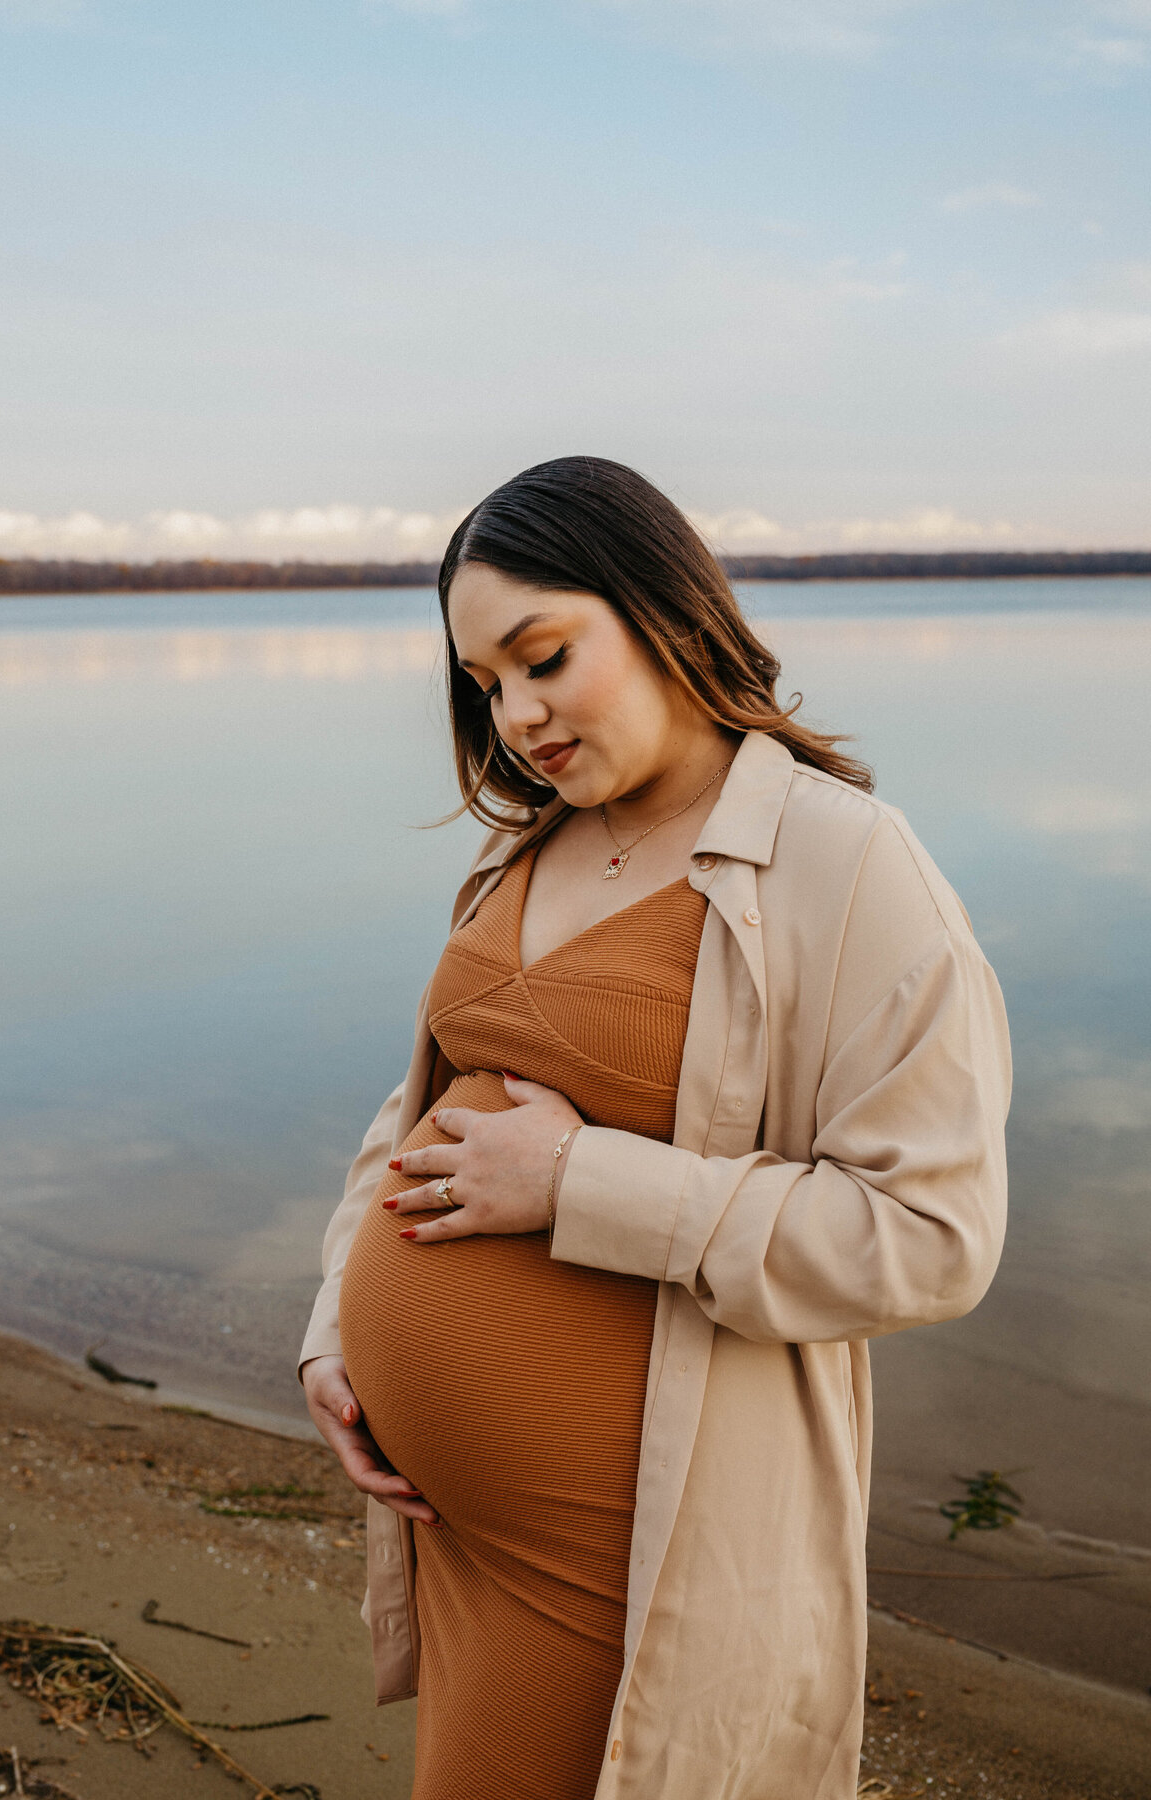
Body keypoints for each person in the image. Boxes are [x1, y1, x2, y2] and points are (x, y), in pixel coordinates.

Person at [299, 457, 1011, 1800]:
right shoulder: (525, 850)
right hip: (458, 1533)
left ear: (661, 603)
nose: (516, 715)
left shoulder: (846, 863)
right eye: (485, 686)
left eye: (545, 656)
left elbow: (931, 1240)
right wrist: (336, 1328)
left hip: (632, 1567)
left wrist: (582, 1182)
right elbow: (415, 1116)